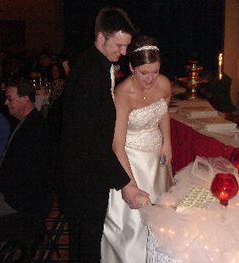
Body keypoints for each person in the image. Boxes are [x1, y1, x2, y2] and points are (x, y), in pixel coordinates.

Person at [56, 7, 150, 262]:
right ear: (101, 37)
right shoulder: (89, 74)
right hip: (83, 177)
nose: (123, 53)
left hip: (85, 171)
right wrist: (125, 184)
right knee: (86, 247)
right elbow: (92, 141)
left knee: (84, 245)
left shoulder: (94, 64)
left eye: (126, 46)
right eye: (119, 45)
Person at [101, 35, 173, 262]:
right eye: (144, 73)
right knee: (133, 225)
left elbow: (163, 112)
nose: (151, 78)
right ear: (131, 67)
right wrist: (129, 184)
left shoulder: (164, 84)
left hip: (156, 158)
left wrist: (167, 142)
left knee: (162, 218)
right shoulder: (123, 94)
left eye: (155, 70)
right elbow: (117, 145)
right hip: (130, 159)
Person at [0, 78, 51, 252]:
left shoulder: (34, 130)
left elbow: (27, 174)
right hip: (17, 193)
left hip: (24, 201)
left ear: (25, 99)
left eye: (10, 98)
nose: (6, 102)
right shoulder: (27, 122)